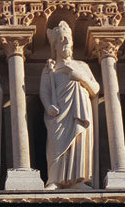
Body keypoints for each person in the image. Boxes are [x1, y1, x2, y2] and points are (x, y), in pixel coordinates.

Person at [40, 21, 100, 190]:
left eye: (68, 39)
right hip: (59, 112)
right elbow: (44, 91)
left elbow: (95, 89)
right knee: (57, 143)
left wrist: (80, 77)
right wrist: (48, 106)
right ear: (55, 46)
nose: (66, 42)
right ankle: (55, 180)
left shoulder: (82, 66)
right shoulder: (50, 69)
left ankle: (78, 180)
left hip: (80, 109)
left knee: (79, 141)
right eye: (61, 39)